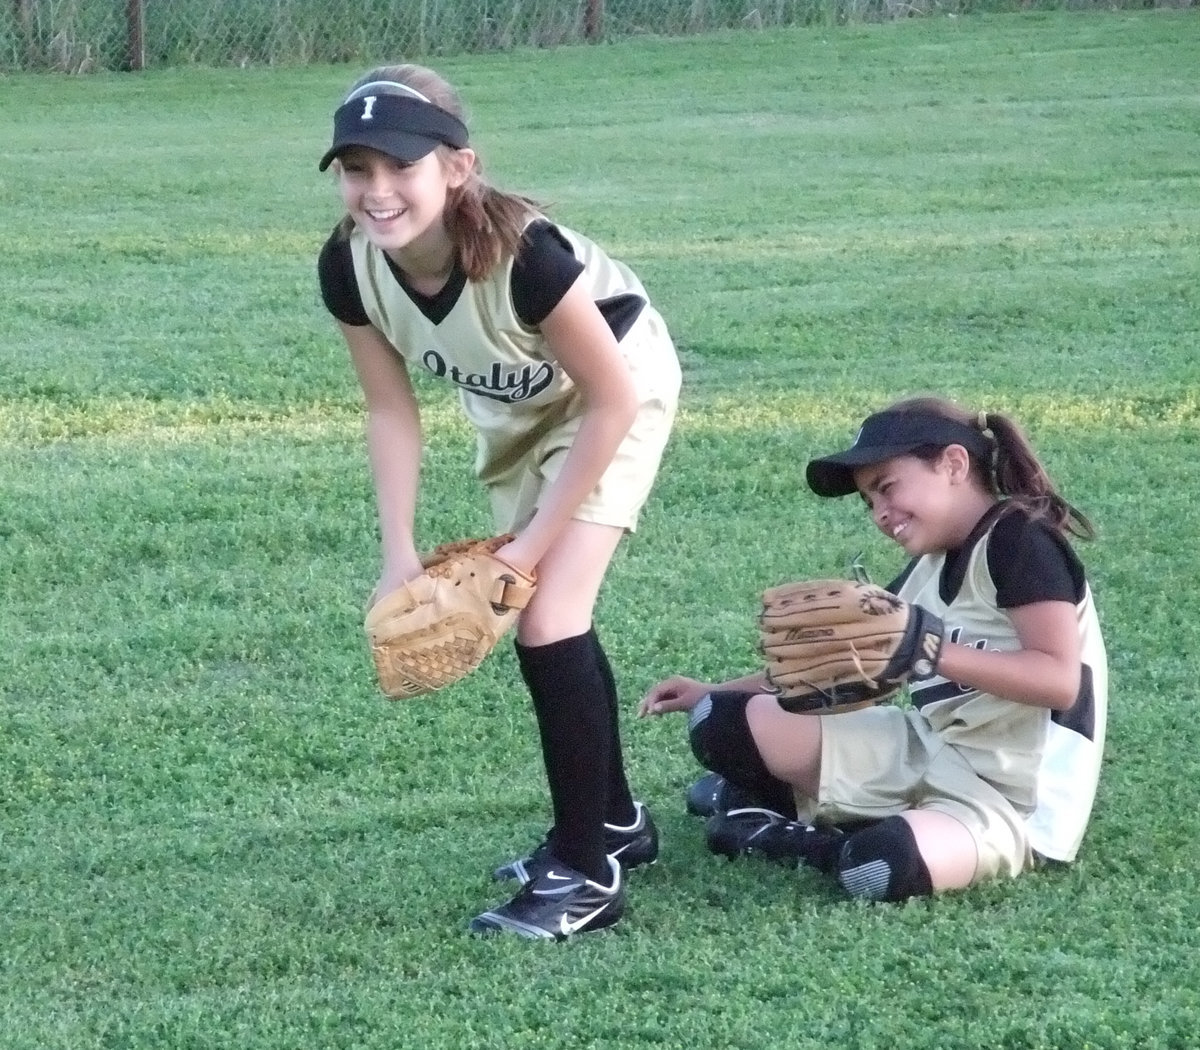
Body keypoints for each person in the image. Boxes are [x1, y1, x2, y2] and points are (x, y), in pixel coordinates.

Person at [316, 64, 682, 938]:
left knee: (549, 612)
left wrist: (524, 551)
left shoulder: (529, 259)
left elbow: (613, 400)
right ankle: (617, 824)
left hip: (616, 393)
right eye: (356, 168)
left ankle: (586, 875)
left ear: (458, 167)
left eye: (401, 166)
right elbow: (389, 409)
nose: (377, 190)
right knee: (548, 609)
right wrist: (396, 553)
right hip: (518, 411)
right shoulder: (350, 268)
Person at [640, 396, 1107, 902]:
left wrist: (926, 650)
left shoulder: (1020, 537)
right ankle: (783, 806)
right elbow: (840, 664)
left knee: (883, 865)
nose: (881, 514)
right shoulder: (929, 564)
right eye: (870, 502)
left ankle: (810, 835)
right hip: (925, 747)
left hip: (1010, 799)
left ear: (953, 464)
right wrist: (713, 690)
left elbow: (1060, 682)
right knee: (721, 719)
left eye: (887, 487)